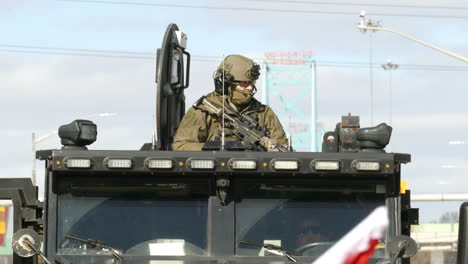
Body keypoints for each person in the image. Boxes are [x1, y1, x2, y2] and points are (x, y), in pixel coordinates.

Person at [173, 54, 288, 151]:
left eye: (252, 83)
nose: (249, 88)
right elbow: (181, 146)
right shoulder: (203, 110)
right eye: (244, 83)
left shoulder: (264, 113)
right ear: (226, 84)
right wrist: (224, 147)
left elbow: (282, 147)